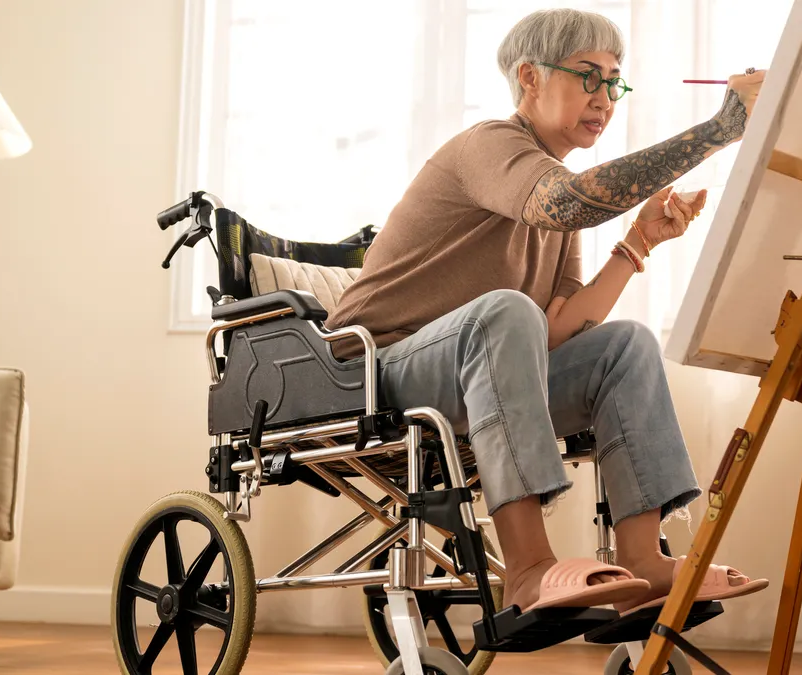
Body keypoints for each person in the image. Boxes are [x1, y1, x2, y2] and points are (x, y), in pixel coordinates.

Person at [327, 8, 767, 616]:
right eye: (589, 75)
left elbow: (557, 329)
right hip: (378, 370)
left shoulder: (557, 190)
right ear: (529, 78)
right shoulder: (489, 147)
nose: (606, 97)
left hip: (477, 375)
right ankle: (529, 568)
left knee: (625, 345)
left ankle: (643, 559)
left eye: (615, 80)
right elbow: (566, 208)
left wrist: (637, 243)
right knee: (504, 312)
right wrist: (719, 129)